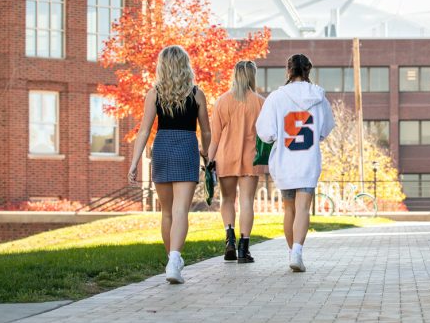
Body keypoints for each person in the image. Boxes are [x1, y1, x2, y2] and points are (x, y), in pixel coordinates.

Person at [128, 45, 210, 284]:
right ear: (186, 65)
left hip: (162, 147)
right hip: (186, 148)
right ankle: (175, 259)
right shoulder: (197, 94)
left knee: (167, 212)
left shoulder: (154, 93)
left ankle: (171, 262)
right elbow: (206, 129)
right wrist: (207, 153)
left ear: (162, 66)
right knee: (180, 210)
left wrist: (134, 162)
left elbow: (144, 131)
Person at [255, 53, 334, 272]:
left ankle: (292, 253)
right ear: (308, 70)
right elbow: (326, 129)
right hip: (308, 160)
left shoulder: (276, 98)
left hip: (285, 160)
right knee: (303, 208)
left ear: (288, 70)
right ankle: (298, 251)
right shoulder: (319, 97)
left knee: (289, 209)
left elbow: (265, 132)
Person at [208, 60, 265, 263]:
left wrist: (209, 160)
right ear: (252, 76)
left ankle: (229, 237)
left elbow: (214, 137)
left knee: (227, 200)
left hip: (225, 156)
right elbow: (266, 134)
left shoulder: (222, 101)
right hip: (251, 157)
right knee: (247, 201)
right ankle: (244, 248)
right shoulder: (260, 102)